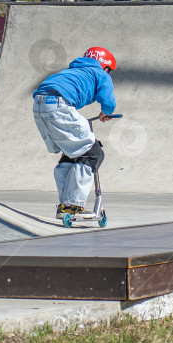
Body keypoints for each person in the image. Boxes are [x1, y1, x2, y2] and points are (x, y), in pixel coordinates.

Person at [32, 47, 117, 218]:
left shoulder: (73, 71)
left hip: (39, 104)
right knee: (93, 154)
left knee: (72, 154)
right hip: (59, 104)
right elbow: (108, 101)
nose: (108, 73)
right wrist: (106, 112)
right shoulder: (100, 73)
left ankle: (64, 207)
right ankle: (72, 205)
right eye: (109, 70)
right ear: (105, 66)